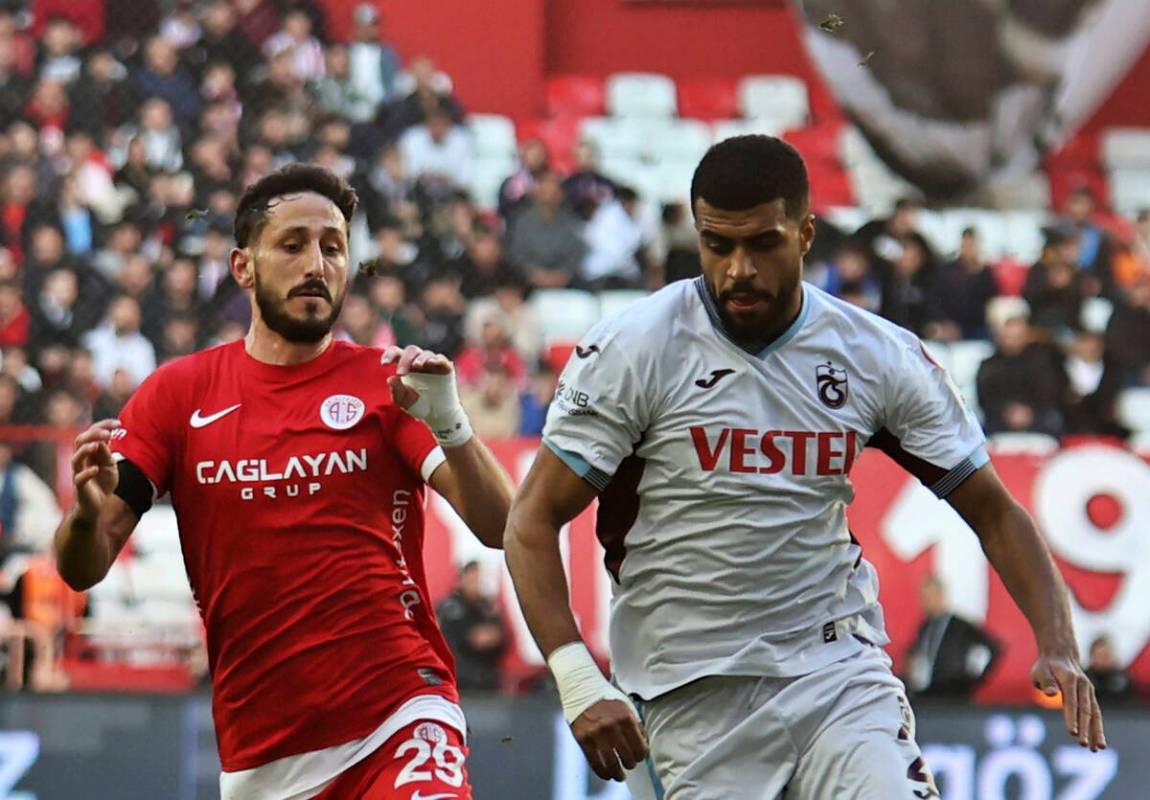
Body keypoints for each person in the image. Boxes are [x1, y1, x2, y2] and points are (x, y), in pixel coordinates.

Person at [503, 136, 1106, 799]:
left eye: (762, 243)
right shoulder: (635, 349)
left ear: (806, 233)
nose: (737, 269)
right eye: (716, 244)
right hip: (687, 692)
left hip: (835, 670)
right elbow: (531, 520)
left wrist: (1057, 639)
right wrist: (577, 677)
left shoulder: (875, 356)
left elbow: (993, 509)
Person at [53, 165, 514, 799]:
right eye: (293, 244)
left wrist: (452, 422)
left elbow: (502, 527)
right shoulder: (177, 394)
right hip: (263, 758)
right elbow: (83, 566)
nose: (317, 264)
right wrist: (84, 513)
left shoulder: (389, 384)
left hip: (401, 714)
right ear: (243, 267)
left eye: (333, 247)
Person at [904, 575, 1001, 699]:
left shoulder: (959, 626)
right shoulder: (925, 626)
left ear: (940, 596)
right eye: (922, 597)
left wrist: (973, 679)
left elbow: (993, 647)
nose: (924, 602)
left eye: (928, 597)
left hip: (953, 695)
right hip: (927, 695)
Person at [435, 560, 507, 692]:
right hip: (460, 682)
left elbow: (502, 638)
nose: (476, 583)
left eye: (478, 578)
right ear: (461, 579)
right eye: (472, 578)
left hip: (486, 682)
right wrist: (487, 635)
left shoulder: (486, 606)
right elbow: (475, 639)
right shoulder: (450, 606)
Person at [1084, 635, 1135, 704]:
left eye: (1105, 656)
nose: (1101, 660)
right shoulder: (1083, 680)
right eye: (1098, 656)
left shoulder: (1123, 681)